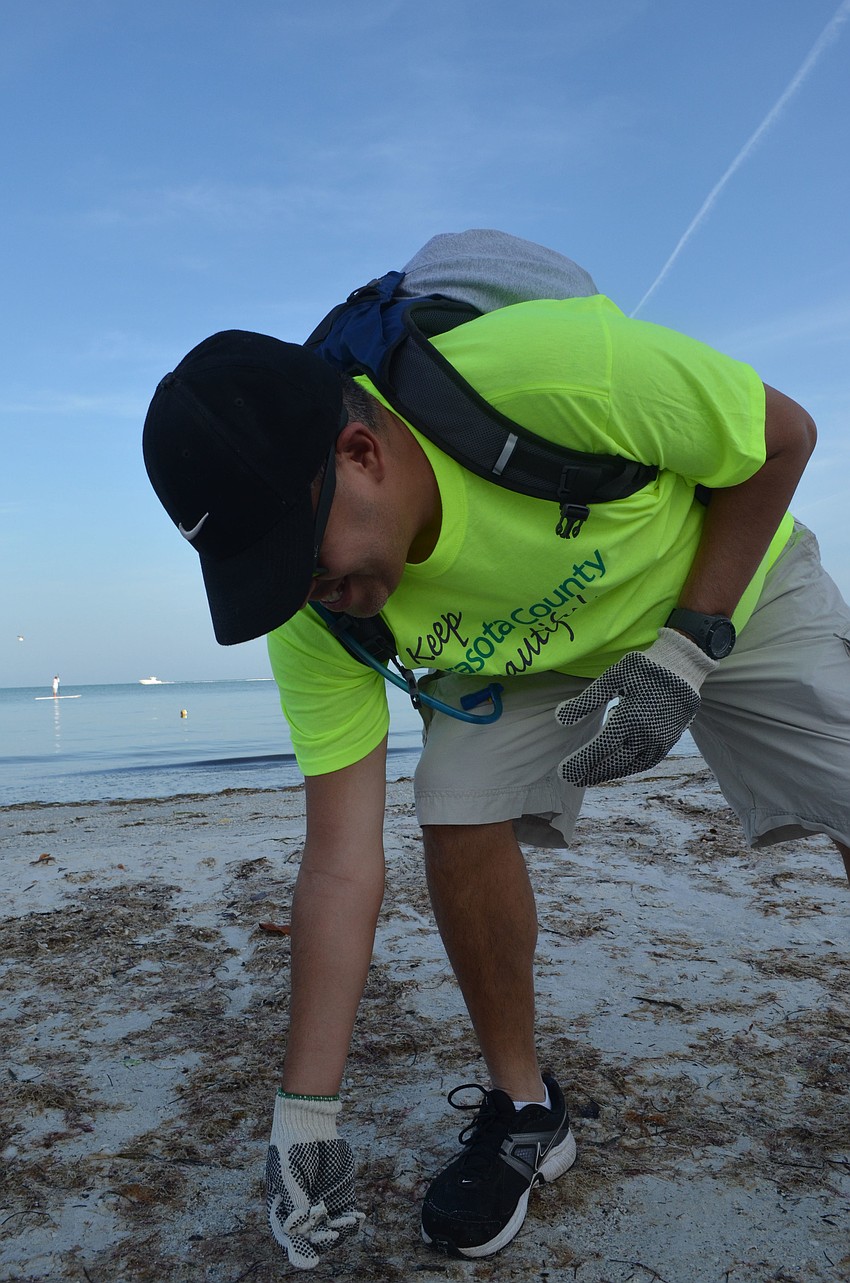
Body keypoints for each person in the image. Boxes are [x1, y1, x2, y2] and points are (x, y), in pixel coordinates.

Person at [142, 232, 850, 1270]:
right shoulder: (320, 613)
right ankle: (526, 1108)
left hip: (715, 575)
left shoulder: (543, 372)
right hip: (534, 651)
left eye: (303, 557)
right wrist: (305, 1116)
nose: (306, 592)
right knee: (454, 803)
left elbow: (782, 438)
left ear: (361, 452)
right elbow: (338, 863)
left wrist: (687, 646)